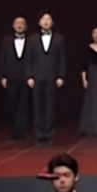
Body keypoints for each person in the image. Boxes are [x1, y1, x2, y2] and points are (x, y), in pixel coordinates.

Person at [28, 12, 68, 144]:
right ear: (39, 22)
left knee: (50, 107)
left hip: (52, 76)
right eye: (43, 19)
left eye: (48, 19)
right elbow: (28, 59)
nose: (46, 22)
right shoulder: (32, 39)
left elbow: (62, 59)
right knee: (38, 107)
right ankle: (39, 134)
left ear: (52, 23)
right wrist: (29, 76)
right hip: (37, 77)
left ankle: (49, 134)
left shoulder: (59, 38)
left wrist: (61, 76)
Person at [0, 16, 33, 141]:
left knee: (24, 105)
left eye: (22, 23)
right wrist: (3, 76)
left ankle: (22, 130)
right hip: (11, 77)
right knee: (12, 104)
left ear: (26, 26)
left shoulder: (31, 41)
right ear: (13, 25)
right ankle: (13, 130)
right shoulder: (6, 40)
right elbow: (2, 59)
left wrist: (31, 75)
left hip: (25, 77)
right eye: (17, 23)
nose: (19, 25)